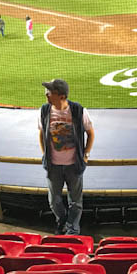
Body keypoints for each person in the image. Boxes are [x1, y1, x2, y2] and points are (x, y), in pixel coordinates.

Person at [38, 78, 95, 235]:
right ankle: (63, 221)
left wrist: (85, 156)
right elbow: (41, 133)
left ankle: (72, 230)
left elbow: (90, 133)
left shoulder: (78, 111)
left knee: (75, 202)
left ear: (61, 96)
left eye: (50, 92)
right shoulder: (44, 111)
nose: (46, 94)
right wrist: (44, 155)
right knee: (53, 201)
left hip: (74, 165)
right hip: (53, 166)